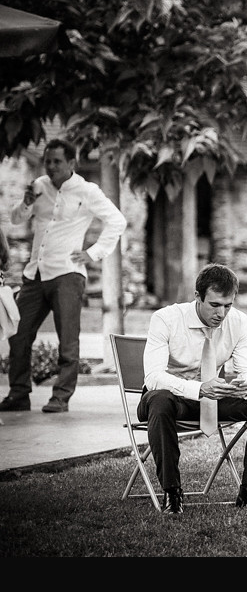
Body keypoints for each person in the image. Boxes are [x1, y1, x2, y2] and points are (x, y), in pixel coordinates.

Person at [141, 263, 247, 514]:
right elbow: (153, 377)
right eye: (215, 305)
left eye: (228, 305)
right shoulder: (165, 319)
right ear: (197, 297)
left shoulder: (238, 322)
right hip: (169, 400)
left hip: (212, 401)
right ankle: (172, 493)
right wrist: (198, 389)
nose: (222, 313)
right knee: (160, 399)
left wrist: (245, 385)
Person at [0, 139, 126, 414]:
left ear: (71, 163)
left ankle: (61, 397)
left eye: (57, 161)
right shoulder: (39, 186)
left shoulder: (87, 190)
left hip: (67, 274)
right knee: (18, 334)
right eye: (48, 161)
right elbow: (17, 219)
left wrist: (93, 253)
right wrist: (25, 202)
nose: (51, 166)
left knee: (68, 340)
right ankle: (19, 393)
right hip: (35, 273)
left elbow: (117, 220)